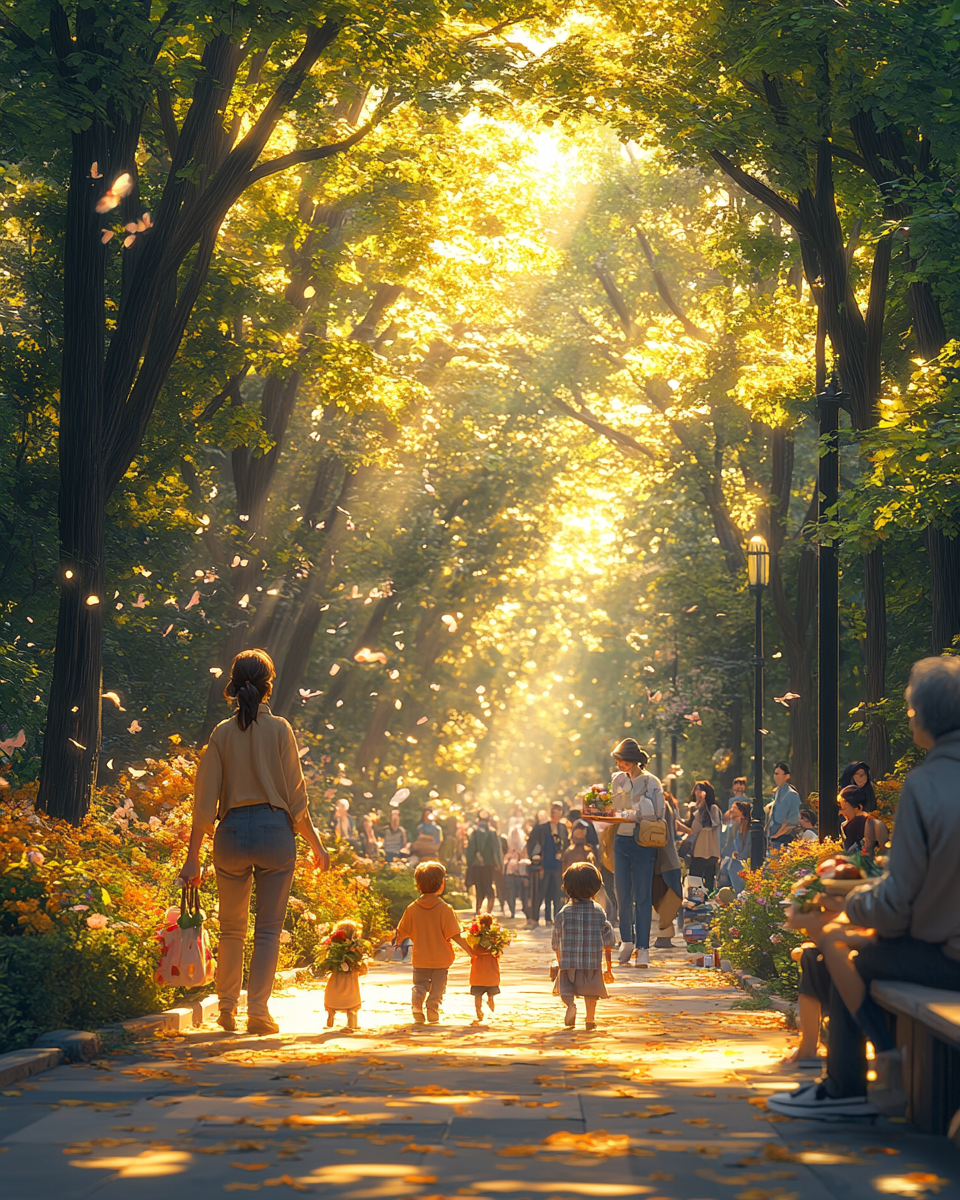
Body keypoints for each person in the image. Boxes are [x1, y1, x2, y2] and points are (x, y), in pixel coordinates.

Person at [771, 655, 960, 1120]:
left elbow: (897, 906)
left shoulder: (928, 784)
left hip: (947, 958)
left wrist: (844, 898)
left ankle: (854, 1084)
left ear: (923, 717)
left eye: (911, 710)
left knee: (842, 950)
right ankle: (855, 1076)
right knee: (829, 950)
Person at [178, 649, 328, 1036]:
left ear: (234, 683)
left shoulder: (221, 734)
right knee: (268, 930)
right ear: (268, 685)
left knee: (231, 929)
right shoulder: (280, 729)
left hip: (229, 834)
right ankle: (258, 1011)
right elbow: (297, 799)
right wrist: (316, 845)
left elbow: (204, 801)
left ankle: (226, 1007)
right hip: (275, 833)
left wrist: (192, 858)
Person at [395, 860, 475, 1024]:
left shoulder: (412, 908)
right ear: (441, 884)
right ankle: (432, 1009)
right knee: (438, 988)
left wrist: (397, 943)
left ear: (418, 885)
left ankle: (418, 997)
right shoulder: (445, 909)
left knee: (420, 983)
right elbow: (456, 935)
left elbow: (401, 932)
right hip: (441, 960)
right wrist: (471, 952)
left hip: (420, 958)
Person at [609, 737, 665, 968]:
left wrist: (638, 811)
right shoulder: (617, 781)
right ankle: (627, 941)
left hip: (644, 841)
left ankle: (643, 949)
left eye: (621, 761)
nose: (619, 765)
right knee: (622, 894)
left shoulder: (652, 782)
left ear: (632, 761)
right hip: (621, 840)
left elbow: (659, 813)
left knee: (642, 897)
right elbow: (614, 808)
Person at [552, 861, 616, 1030]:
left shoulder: (563, 913)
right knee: (591, 993)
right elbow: (608, 940)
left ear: (567, 887)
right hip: (591, 963)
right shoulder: (598, 911)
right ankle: (589, 1019)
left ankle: (571, 1006)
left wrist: (559, 960)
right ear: (595, 886)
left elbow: (556, 941)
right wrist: (609, 967)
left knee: (565, 990)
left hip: (568, 963)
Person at [526, 801, 570, 926]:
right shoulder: (541, 827)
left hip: (557, 865)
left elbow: (566, 844)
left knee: (557, 893)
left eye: (558, 809)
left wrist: (563, 854)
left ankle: (557, 919)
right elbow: (531, 842)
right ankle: (534, 918)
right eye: (553, 809)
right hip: (544, 865)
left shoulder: (562, 828)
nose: (555, 811)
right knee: (541, 892)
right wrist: (534, 856)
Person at [676, 781, 722, 891]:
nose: (698, 793)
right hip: (697, 850)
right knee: (694, 880)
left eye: (700, 790)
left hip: (710, 851)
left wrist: (702, 807)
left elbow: (711, 824)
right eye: (696, 790)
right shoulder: (695, 809)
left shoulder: (713, 808)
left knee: (709, 881)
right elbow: (691, 828)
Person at [323, 919, 367, 1031]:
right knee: (352, 999)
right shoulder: (355, 946)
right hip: (351, 976)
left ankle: (331, 1015)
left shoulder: (333, 946)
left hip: (336, 976)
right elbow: (359, 959)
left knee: (333, 993)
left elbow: (328, 959)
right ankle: (352, 1022)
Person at [466, 809, 503, 915]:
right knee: (489, 886)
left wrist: (469, 863)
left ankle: (478, 911)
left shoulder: (474, 832)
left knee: (479, 888)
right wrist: (498, 864)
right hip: (489, 864)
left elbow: (470, 849)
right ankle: (488, 911)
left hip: (477, 865)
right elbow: (496, 849)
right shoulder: (492, 832)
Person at [469, 912, 502, 1023]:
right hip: (491, 967)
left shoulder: (475, 936)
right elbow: (497, 952)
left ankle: (478, 1010)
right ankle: (490, 1000)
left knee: (477, 993)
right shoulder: (494, 936)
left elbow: (473, 950)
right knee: (491, 988)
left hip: (478, 969)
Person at [718, 799, 751, 894]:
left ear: (742, 813)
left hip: (742, 868)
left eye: (734, 808)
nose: (731, 810)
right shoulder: (734, 828)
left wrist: (739, 856)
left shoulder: (748, 831)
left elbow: (746, 850)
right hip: (733, 866)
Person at [768, 762, 801, 850]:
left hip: (784, 837)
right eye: (775, 774)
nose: (776, 777)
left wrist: (776, 835)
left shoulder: (792, 795)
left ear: (787, 776)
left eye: (778, 774)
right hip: (771, 836)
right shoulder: (776, 793)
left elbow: (792, 821)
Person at [502, 827, 528, 918]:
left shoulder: (523, 846)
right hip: (511, 873)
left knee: (522, 894)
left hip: (520, 873)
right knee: (512, 893)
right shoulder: (510, 847)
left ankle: (525, 911)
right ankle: (512, 911)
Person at [838, 786, 867, 851]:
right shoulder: (845, 825)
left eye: (844, 809)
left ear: (859, 808)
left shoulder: (867, 825)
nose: (841, 813)